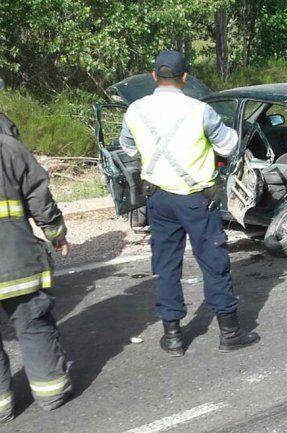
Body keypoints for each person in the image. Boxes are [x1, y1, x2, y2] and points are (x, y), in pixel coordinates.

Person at [119, 50, 259, 357]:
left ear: (154, 76)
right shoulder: (200, 111)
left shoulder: (135, 110)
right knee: (214, 264)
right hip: (198, 201)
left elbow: (127, 148)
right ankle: (230, 333)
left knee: (166, 267)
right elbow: (228, 145)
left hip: (158, 199)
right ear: (185, 78)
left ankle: (173, 338)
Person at [0, 69, 71, 425]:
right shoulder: (8, 147)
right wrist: (56, 234)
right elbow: (39, 198)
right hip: (17, 261)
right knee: (33, 324)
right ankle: (52, 393)